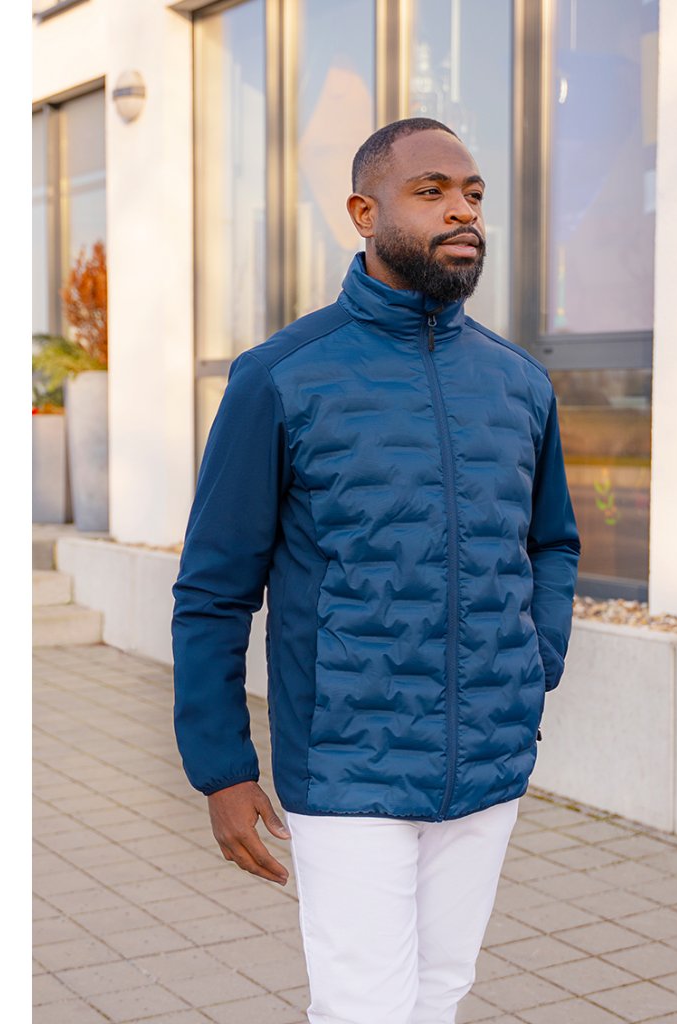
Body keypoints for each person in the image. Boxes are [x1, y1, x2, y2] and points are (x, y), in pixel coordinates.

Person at [171, 117, 581, 1024]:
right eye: (431, 191)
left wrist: (536, 659)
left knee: (441, 991)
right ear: (365, 212)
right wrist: (221, 767)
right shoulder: (280, 377)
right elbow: (213, 590)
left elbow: (552, 541)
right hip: (347, 762)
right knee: (365, 1005)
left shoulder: (519, 382)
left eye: (473, 193)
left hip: (489, 757)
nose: (462, 210)